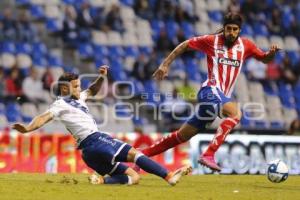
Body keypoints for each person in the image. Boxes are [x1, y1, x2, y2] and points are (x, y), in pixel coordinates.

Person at [140, 12, 280, 171]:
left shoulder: (246, 45)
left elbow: (264, 58)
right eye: (229, 29)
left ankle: (140, 156)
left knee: (181, 136)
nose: (231, 32)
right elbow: (185, 44)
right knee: (236, 114)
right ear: (224, 28)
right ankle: (208, 154)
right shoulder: (211, 41)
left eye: (235, 29)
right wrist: (165, 64)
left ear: (239, 30)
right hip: (209, 90)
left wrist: (271, 54)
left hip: (218, 98)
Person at [12, 66, 191, 185]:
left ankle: (100, 181)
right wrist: (28, 128)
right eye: (75, 87)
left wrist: (101, 77)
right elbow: (43, 118)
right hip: (96, 141)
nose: (79, 89)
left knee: (134, 177)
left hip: (88, 154)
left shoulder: (78, 97)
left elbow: (92, 90)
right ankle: (168, 176)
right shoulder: (59, 105)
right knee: (136, 154)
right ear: (65, 89)